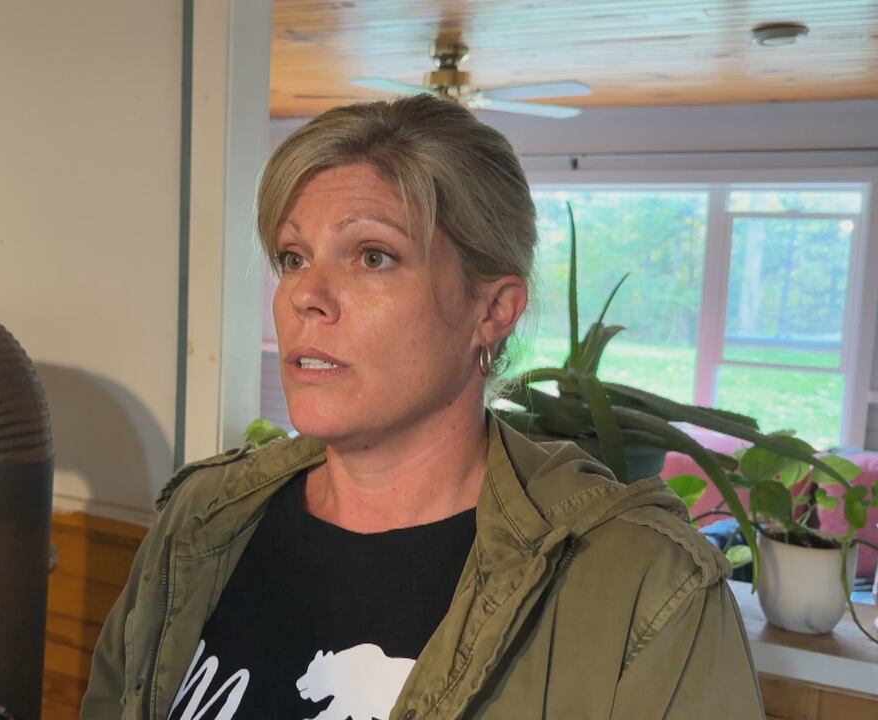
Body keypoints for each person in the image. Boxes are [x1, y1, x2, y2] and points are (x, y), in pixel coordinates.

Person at [81, 95, 763, 719]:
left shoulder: (644, 589)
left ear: (492, 310)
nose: (304, 295)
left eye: (373, 256)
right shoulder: (201, 519)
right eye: (292, 257)